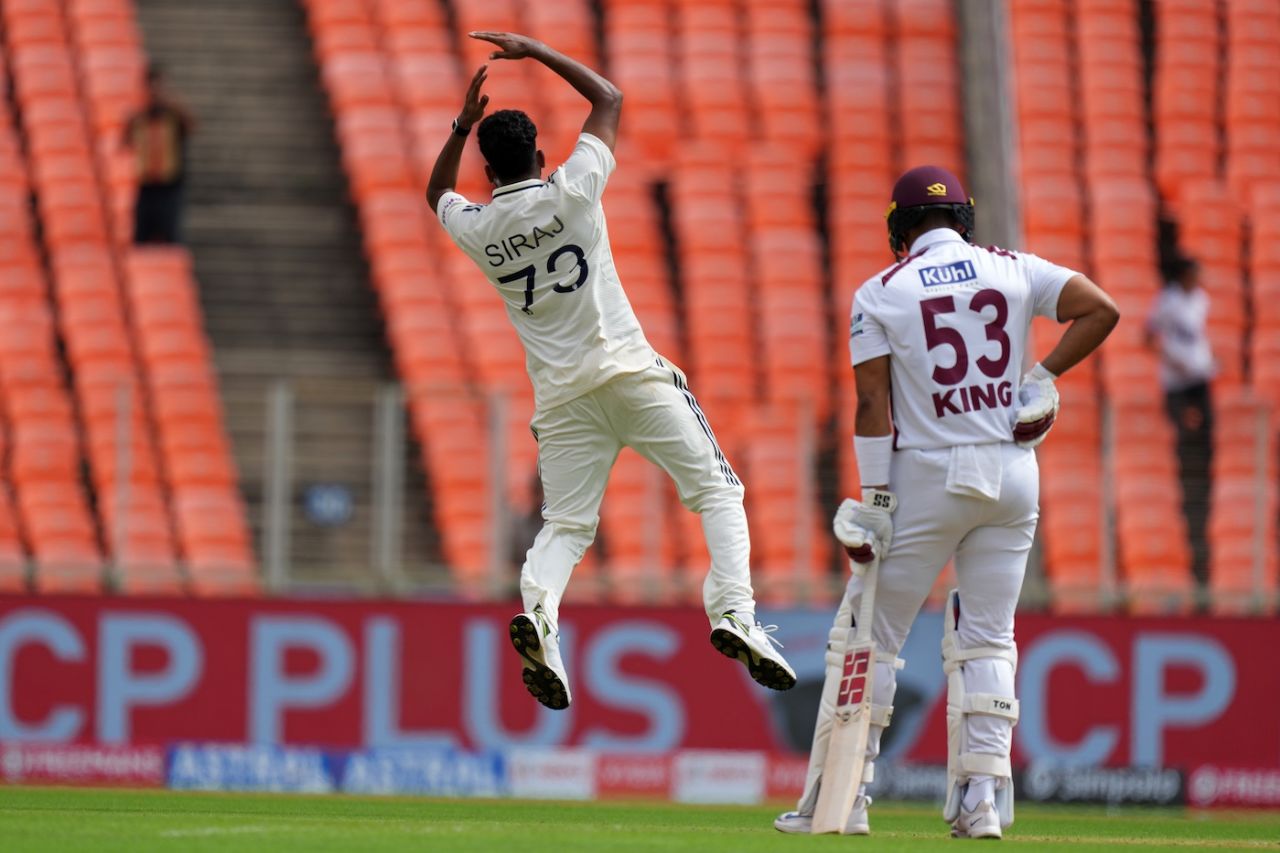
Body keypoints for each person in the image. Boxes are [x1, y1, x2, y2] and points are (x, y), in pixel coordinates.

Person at [426, 32, 795, 711]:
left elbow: (435, 192)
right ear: (539, 155)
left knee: (566, 526)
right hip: (631, 374)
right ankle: (734, 613)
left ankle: (540, 613)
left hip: (563, 401)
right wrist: (534, 51)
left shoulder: (478, 228)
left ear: (489, 173)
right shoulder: (573, 190)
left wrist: (460, 126)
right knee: (718, 492)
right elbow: (610, 97)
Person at [774, 166, 1118, 838]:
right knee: (989, 637)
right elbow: (1101, 307)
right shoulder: (1013, 267)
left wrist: (874, 497)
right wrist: (1041, 376)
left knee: (865, 638)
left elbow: (873, 402)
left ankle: (841, 799)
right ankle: (981, 802)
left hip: (926, 476)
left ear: (900, 228)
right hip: (1013, 473)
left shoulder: (880, 291)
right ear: (963, 218)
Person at [1145, 256, 1214, 585]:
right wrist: (1170, 359)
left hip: (1199, 374)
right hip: (1175, 378)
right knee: (1176, 434)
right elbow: (1148, 336)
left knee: (1208, 430)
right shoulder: (1167, 302)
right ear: (1185, 274)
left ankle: (1203, 461)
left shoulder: (1202, 300)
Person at [123, 64, 195, 244]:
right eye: (152, 87)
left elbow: (191, 126)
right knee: (141, 237)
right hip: (146, 184)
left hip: (169, 185)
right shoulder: (139, 118)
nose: (156, 92)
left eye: (160, 87)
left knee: (170, 234)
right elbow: (125, 144)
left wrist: (175, 103)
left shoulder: (174, 116)